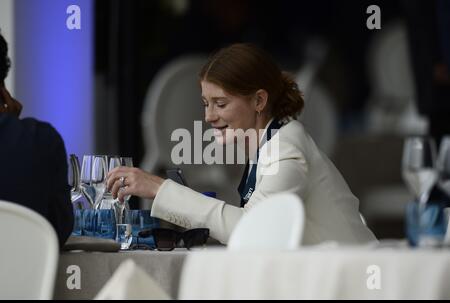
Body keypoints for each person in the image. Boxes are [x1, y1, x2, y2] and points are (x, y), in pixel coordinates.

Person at [107, 43, 376, 245]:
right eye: (206, 104)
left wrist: (160, 188)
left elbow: (253, 229)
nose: (208, 117)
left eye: (220, 104)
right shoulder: (268, 142)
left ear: (259, 101)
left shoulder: (285, 146)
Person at [0, 32, 73, 246]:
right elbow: (57, 233)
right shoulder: (42, 140)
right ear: (3, 90)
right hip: (20, 278)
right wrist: (12, 128)